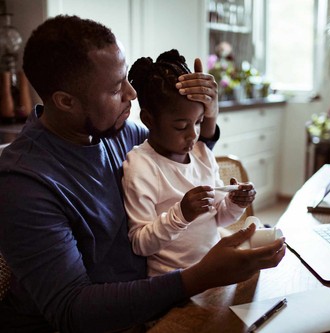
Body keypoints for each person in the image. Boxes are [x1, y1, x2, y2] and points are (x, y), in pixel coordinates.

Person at [0, 15, 285, 333]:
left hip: (152, 306)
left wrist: (207, 114)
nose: (131, 94)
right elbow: (72, 309)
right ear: (65, 101)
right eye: (115, 88)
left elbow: (179, 149)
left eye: (126, 78)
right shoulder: (24, 184)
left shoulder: (115, 130)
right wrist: (201, 276)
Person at [123, 50, 256, 276]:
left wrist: (235, 203)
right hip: (173, 283)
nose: (193, 135)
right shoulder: (140, 166)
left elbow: (219, 219)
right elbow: (140, 243)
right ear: (148, 120)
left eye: (198, 123)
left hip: (215, 270)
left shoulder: (202, 153)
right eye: (180, 126)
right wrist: (181, 214)